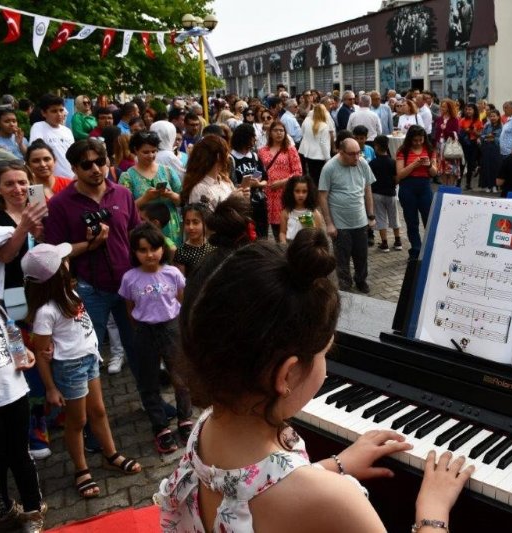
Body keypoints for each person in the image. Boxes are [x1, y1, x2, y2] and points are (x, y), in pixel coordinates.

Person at [156, 229, 472, 531]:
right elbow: (288, 497)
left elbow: (250, 490)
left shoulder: (208, 425)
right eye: (324, 351)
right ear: (288, 374)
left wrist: (336, 464)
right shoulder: (333, 499)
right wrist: (433, 510)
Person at [23, 243, 141, 500]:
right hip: (71, 368)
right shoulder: (46, 312)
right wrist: (51, 388)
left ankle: (110, 454)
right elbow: (41, 355)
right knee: (78, 421)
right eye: (63, 260)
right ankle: (81, 469)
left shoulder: (71, 294)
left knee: (98, 411)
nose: (68, 261)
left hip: (88, 360)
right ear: (56, 274)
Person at [44, 138, 141, 384]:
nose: (96, 169)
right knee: (88, 352)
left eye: (100, 162)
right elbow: (55, 252)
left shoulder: (122, 193)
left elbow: (136, 234)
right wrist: (89, 245)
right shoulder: (60, 204)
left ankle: (153, 406)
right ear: (74, 169)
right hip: (89, 289)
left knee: (139, 347)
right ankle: (89, 414)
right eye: (87, 165)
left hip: (127, 284)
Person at [119, 224, 191, 454]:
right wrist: (141, 327)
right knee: (149, 382)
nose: (149, 254)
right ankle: (160, 427)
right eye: (142, 250)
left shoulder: (173, 273)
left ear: (162, 248)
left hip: (171, 329)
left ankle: (185, 420)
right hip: (145, 332)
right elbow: (129, 309)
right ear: (134, 252)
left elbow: (182, 301)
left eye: (154, 248)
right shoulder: (130, 278)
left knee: (181, 378)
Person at [0, 301, 43, 532]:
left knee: (20, 454)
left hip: (13, 392)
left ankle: (32, 511)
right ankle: (4, 509)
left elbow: (10, 329)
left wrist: (22, 352)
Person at [318, 138, 377, 293]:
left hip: (360, 221)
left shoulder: (362, 163)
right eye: (352, 154)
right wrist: (329, 223)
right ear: (341, 152)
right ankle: (345, 284)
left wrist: (370, 215)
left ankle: (361, 280)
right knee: (342, 258)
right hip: (340, 224)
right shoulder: (329, 168)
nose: (356, 157)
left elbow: (368, 189)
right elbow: (323, 196)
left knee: (361, 256)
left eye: (359, 153)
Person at [119, 131, 183, 245]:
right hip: (144, 231)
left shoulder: (167, 171)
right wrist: (145, 198)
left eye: (154, 151)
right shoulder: (127, 177)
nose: (151, 155)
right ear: (135, 150)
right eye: (146, 152)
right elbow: (124, 208)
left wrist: (171, 195)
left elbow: (182, 201)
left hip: (171, 228)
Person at [0, 161, 48, 301]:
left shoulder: (42, 212)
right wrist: (24, 227)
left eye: (22, 182)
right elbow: (5, 257)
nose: (18, 189)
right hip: (12, 290)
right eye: (9, 184)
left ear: (30, 184)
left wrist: (40, 237)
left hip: (45, 287)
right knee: (18, 322)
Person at [395, 126, 437, 260]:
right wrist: (414, 165)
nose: (418, 143)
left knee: (428, 219)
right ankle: (416, 249)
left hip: (424, 187)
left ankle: (430, 248)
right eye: (415, 140)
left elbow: (435, 173)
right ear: (410, 139)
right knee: (411, 221)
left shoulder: (430, 150)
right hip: (408, 187)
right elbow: (400, 174)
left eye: (421, 140)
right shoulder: (403, 151)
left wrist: (429, 165)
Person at [259, 120, 302, 238]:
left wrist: (282, 182)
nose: (279, 133)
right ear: (270, 133)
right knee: (276, 230)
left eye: (281, 130)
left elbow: (298, 172)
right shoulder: (262, 151)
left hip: (286, 193)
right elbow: (260, 171)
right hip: (269, 194)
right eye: (276, 130)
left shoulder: (290, 149)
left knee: (290, 227)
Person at [182, 136, 238, 212]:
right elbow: (208, 220)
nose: (229, 157)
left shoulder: (225, 181)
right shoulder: (199, 189)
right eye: (227, 152)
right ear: (218, 156)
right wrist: (234, 199)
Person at [369, 135, 402, 253]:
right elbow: (397, 178)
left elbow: (370, 180)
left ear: (376, 147)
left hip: (377, 193)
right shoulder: (393, 162)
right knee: (394, 216)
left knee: (381, 218)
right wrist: (393, 185)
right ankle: (398, 241)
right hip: (391, 193)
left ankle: (384, 243)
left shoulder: (372, 163)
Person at [29, 94, 74, 178]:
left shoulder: (67, 131)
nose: (59, 114)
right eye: (54, 111)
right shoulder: (38, 127)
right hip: (51, 180)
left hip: (71, 178)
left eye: (61, 110)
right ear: (43, 113)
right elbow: (35, 152)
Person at [279, 175, 325, 243]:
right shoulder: (286, 212)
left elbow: (320, 235)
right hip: (289, 246)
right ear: (291, 192)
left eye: (304, 191)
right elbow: (282, 233)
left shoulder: (314, 213)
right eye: (297, 191)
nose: (301, 195)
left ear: (309, 193)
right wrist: (284, 244)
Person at [173, 203, 214, 278]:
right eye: (187, 223)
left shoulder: (213, 246)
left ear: (205, 223)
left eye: (195, 222)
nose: (190, 227)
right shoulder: (181, 252)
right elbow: (181, 284)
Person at [299, 104, 333, 185]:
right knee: (317, 180)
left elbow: (302, 134)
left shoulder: (306, 120)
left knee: (308, 176)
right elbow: (324, 143)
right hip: (318, 156)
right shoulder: (324, 126)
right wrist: (328, 158)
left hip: (305, 152)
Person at [479, 109, 502, 193]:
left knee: (495, 167)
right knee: (487, 167)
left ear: (498, 117)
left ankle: (495, 186)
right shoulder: (487, 125)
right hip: (487, 148)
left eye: (494, 116)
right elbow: (482, 135)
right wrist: (487, 136)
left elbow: (501, 139)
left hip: (496, 149)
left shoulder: (502, 126)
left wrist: (493, 138)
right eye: (491, 116)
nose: (492, 118)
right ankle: (488, 185)